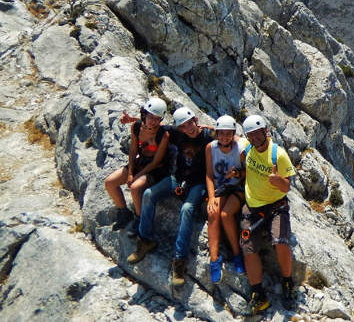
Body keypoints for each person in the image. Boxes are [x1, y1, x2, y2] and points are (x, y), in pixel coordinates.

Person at [127, 106, 213, 288]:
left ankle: (179, 261)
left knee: (187, 209)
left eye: (190, 123)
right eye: (183, 126)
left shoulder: (207, 136)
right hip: (177, 178)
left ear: (195, 120)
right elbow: (154, 125)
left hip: (197, 183)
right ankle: (145, 240)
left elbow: (228, 137)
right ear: (179, 128)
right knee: (149, 194)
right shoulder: (174, 133)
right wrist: (132, 119)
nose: (188, 128)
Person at [239, 115, 297, 314]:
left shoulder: (278, 155)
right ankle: (258, 294)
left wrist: (276, 180)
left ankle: (288, 282)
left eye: (257, 133)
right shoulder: (247, 148)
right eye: (251, 135)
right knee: (247, 245)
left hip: (275, 205)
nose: (254, 138)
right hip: (253, 205)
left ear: (266, 132)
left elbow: (287, 186)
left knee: (280, 241)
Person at [104, 97, 170, 236]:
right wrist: (130, 173)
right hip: (141, 163)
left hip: (156, 169)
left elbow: (156, 162)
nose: (153, 121)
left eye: (157, 118)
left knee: (135, 188)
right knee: (110, 183)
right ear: (144, 115)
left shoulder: (163, 135)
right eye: (150, 117)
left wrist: (136, 176)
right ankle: (123, 211)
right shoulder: (136, 127)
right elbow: (133, 151)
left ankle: (140, 219)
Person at [205, 115, 248, 283]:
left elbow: (247, 173)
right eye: (221, 133)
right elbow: (209, 175)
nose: (224, 137)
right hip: (220, 188)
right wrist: (211, 197)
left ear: (233, 134)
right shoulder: (211, 148)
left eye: (228, 134)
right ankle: (214, 259)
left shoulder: (240, 149)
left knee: (225, 215)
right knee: (213, 212)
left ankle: (237, 254)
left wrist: (237, 173)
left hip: (236, 187)